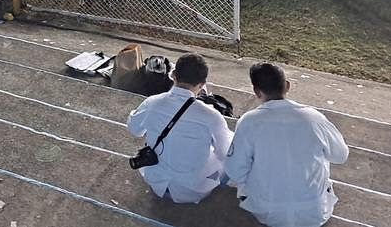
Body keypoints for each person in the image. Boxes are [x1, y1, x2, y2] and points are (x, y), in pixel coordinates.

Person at [226, 63, 348, 227]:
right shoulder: (314, 118)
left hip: (266, 213)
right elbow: (340, 156)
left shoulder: (249, 122)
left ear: (256, 92)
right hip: (315, 214)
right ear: (287, 85)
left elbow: (235, 171)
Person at [127, 54, 233, 204]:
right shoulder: (212, 116)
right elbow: (225, 154)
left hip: (157, 183)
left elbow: (134, 130)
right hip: (193, 190)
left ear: (173, 75)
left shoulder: (152, 103)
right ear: (202, 84)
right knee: (229, 152)